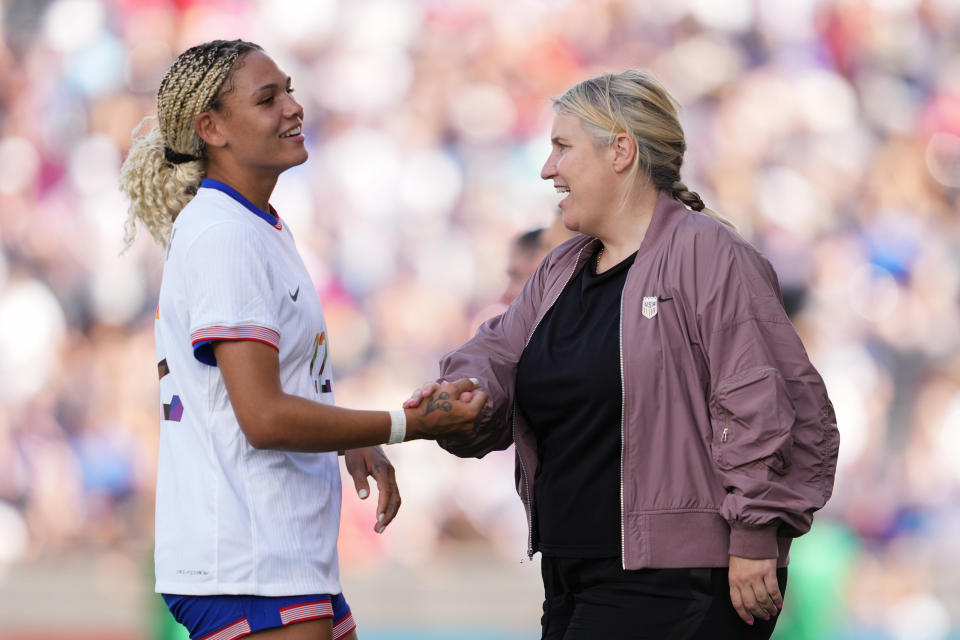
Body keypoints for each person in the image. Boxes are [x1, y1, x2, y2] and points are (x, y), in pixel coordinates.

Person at [405, 69, 839, 639]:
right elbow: (496, 350)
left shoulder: (707, 253)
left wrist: (756, 533)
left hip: (677, 579)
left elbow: (761, 398)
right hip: (572, 572)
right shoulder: (563, 268)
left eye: (562, 147)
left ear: (621, 151)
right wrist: (461, 392)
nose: (547, 169)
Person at [118, 39, 486, 640]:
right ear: (211, 127)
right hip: (248, 558)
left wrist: (345, 435)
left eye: (289, 89)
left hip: (276, 552)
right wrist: (404, 424)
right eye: (268, 98)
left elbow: (273, 386)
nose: (294, 107)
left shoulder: (256, 225)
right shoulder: (224, 236)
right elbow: (261, 417)